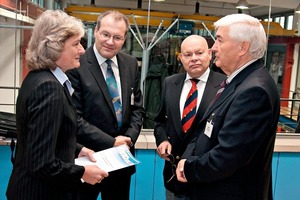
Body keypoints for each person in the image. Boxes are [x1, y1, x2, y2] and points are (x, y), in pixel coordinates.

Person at [6, 10, 108, 200]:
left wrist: (77, 149)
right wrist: (82, 172)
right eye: (76, 44)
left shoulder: (40, 78)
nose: (82, 50)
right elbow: (41, 163)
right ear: (55, 47)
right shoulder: (49, 88)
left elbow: (44, 138)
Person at [176, 14, 280, 200]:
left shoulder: (255, 91)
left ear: (243, 47)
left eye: (219, 40)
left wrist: (189, 168)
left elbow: (228, 157)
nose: (214, 47)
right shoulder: (238, 81)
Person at [66, 10, 145, 200]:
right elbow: (74, 117)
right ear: (96, 31)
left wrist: (128, 138)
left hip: (121, 160)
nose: (110, 41)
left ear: (124, 38)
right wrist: (111, 142)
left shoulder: (130, 63)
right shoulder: (76, 64)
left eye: (117, 37)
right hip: (88, 159)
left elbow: (137, 108)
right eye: (106, 34)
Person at [154, 35, 226, 200]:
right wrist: (163, 140)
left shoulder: (225, 85)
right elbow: (160, 121)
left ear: (209, 54)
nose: (194, 59)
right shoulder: (170, 83)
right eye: (187, 55)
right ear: (180, 58)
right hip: (175, 179)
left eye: (199, 53)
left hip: (207, 179)